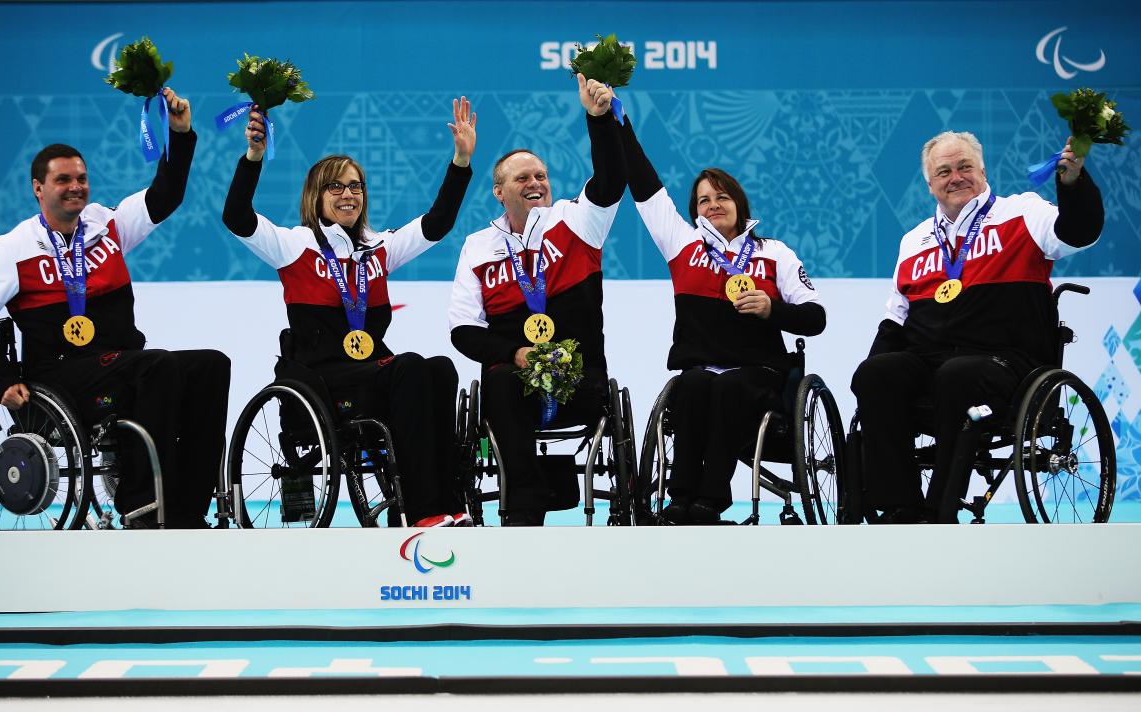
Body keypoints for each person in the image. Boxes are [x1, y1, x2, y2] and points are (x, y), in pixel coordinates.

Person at [0, 88, 229, 529]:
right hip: (61, 375)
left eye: (81, 178)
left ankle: (188, 507)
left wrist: (180, 134)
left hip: (120, 362)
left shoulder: (106, 224)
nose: (76, 186)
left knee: (211, 365)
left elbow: (166, 195)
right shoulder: (13, 248)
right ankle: (142, 507)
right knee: (154, 368)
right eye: (63, 180)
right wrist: (2, 381)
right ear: (38, 188)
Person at [222, 97, 477, 528]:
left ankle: (451, 503)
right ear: (315, 196)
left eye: (356, 185)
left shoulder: (378, 248)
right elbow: (236, 216)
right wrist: (253, 158)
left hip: (372, 374)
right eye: (336, 187)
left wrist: (461, 161)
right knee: (412, 366)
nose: (348, 194)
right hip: (323, 380)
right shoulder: (293, 245)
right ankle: (420, 510)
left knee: (440, 369)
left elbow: (437, 223)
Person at [851, 131, 1104, 523]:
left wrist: (1072, 184)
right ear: (930, 184)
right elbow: (895, 318)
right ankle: (900, 506)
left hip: (1007, 363)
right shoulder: (914, 240)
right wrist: (868, 381)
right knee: (876, 374)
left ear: (982, 170)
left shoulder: (1023, 212)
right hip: (930, 362)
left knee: (957, 375)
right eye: (944, 171)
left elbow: (1079, 232)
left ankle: (939, 510)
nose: (956, 177)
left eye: (965, 166)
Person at [619, 119, 826, 524]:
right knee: (694, 384)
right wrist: (617, 121)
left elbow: (815, 318)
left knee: (728, 386)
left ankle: (710, 502)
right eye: (703, 200)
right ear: (695, 211)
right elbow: (644, 184)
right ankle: (679, 500)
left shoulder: (775, 252)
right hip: (702, 368)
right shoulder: (682, 243)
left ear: (739, 202)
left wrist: (772, 308)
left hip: (758, 372)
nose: (713, 205)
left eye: (722, 196)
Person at [448, 75, 625, 526]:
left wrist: (599, 118)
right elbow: (464, 330)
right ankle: (524, 508)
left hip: (579, 380)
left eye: (541, 175)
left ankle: (526, 503)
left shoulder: (577, 220)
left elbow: (609, 181)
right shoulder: (478, 246)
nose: (535, 182)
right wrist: (516, 354)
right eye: (522, 177)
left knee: (511, 383)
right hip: (513, 383)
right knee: (502, 381)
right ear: (499, 190)